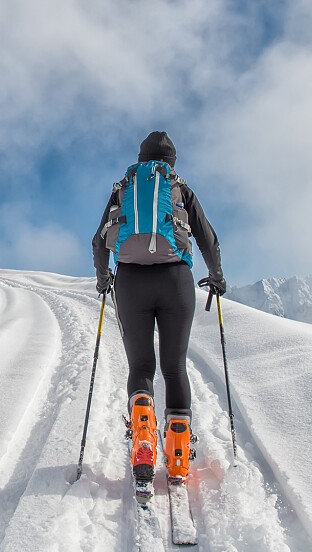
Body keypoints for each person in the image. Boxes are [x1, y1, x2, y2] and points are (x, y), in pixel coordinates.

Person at [91, 131, 225, 486]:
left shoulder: (124, 187)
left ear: (142, 157)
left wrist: (104, 276)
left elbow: (98, 240)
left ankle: (143, 444)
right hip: (176, 281)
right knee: (174, 366)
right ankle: (179, 457)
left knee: (141, 366)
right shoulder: (180, 188)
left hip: (131, 281)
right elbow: (208, 238)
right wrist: (217, 276)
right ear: (171, 162)